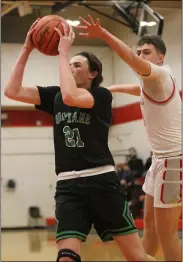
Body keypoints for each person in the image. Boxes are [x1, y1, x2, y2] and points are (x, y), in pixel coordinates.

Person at [4, 19, 156, 262]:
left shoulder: (101, 95)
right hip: (68, 185)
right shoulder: (55, 96)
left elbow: (71, 96)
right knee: (66, 257)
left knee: (137, 257)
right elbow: (12, 91)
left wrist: (63, 53)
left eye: (77, 65)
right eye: (70, 64)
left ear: (92, 73)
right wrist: (26, 49)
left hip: (102, 182)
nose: (71, 67)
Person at [76, 15, 182, 261]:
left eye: (147, 52)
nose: (142, 56)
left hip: (173, 161)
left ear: (160, 58)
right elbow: (140, 90)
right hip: (159, 162)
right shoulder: (155, 82)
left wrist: (103, 35)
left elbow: (131, 60)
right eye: (140, 52)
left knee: (168, 237)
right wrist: (112, 89)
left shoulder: (161, 75)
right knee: (151, 232)